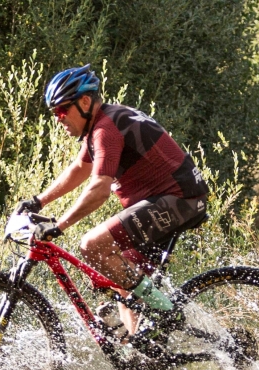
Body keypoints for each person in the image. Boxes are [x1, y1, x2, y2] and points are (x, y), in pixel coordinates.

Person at [14, 64, 209, 352]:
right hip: (172, 198)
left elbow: (98, 189)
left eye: (61, 110)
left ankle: (165, 311)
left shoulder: (106, 128)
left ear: (84, 102)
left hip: (179, 199)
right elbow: (81, 167)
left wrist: (60, 226)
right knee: (119, 275)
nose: (58, 119)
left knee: (93, 245)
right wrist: (40, 201)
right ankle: (145, 363)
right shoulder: (105, 121)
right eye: (54, 113)